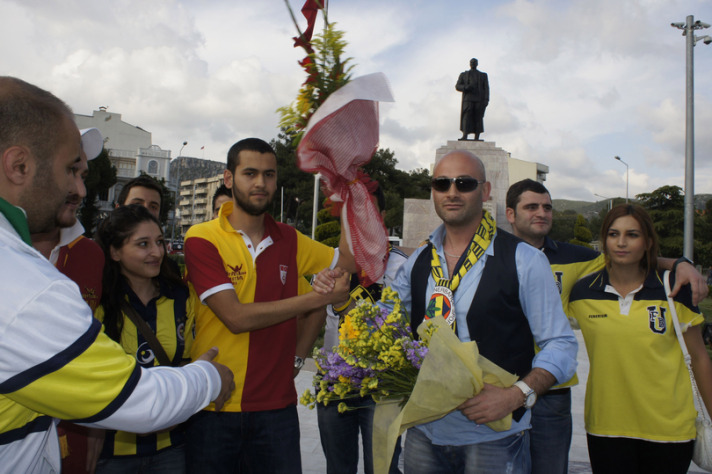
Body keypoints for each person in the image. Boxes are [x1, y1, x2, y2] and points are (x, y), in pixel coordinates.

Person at [0, 76, 234, 473]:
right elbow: (135, 399)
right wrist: (210, 377)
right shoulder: (24, 289)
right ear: (19, 166)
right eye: (71, 170)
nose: (79, 189)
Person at [318, 150, 577, 473]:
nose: (452, 192)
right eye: (442, 184)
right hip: (427, 432)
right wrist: (341, 300)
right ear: (433, 193)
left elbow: (561, 344)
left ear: (485, 192)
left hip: (494, 435)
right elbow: (383, 328)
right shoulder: (418, 263)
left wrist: (517, 394)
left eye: (464, 183)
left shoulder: (525, 260)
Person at [505, 178, 710, 474]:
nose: (542, 212)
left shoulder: (578, 260)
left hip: (554, 389)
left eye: (547, 207)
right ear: (510, 214)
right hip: (499, 386)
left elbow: (624, 259)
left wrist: (679, 264)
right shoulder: (491, 254)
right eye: (531, 206)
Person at [183, 137, 354, 473]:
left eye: (269, 175)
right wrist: (318, 296)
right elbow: (235, 317)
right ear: (229, 178)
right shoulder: (202, 238)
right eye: (250, 173)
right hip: (214, 405)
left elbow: (348, 262)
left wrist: (347, 199)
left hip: (276, 408)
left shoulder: (289, 239)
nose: (260, 183)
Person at [568, 204, 712, 473]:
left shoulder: (674, 288)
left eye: (632, 235)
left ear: (647, 242)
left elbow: (701, 359)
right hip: (606, 426)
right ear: (604, 240)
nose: (621, 242)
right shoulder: (583, 292)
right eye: (613, 234)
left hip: (669, 429)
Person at [92, 205, 195, 472]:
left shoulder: (181, 298)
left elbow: (190, 363)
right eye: (143, 244)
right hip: (112, 455)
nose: (157, 252)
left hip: (173, 449)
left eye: (159, 242)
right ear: (114, 252)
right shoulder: (96, 306)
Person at [28, 127, 105, 474]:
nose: (81, 190)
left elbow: (94, 358)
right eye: (70, 171)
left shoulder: (91, 255)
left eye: (83, 174)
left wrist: (92, 440)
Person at [317, 179, 406, 474]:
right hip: (335, 383)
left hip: (383, 386)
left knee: (382, 468)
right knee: (337, 467)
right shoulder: (329, 263)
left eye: (368, 211)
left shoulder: (403, 268)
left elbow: (395, 329)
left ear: (382, 216)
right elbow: (314, 316)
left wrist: (344, 305)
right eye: (351, 213)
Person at [455, 58, 489, 141]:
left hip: (479, 99)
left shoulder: (483, 75)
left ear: (477, 64)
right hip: (468, 99)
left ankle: (477, 137)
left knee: (478, 117)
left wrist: (486, 99)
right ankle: (465, 135)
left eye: (474, 62)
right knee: (466, 117)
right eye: (471, 62)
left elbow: (486, 88)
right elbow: (457, 86)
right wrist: (466, 87)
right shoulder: (464, 74)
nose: (473, 63)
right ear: (469, 64)